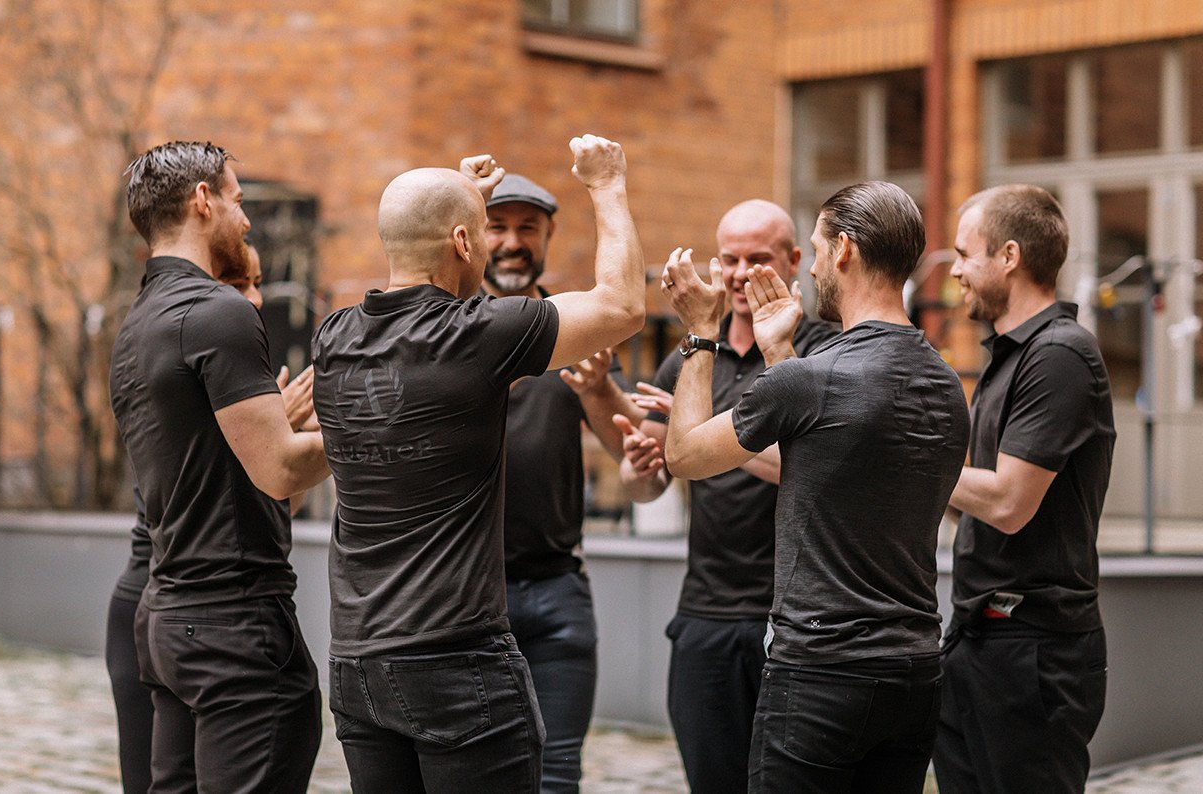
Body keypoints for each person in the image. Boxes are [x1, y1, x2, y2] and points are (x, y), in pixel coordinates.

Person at [312, 136, 644, 792]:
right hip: (454, 663)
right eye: (482, 236)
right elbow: (623, 306)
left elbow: (417, 254)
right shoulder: (474, 336)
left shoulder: (333, 338)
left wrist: (460, 203)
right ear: (464, 242)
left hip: (357, 665)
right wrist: (607, 184)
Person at [659, 181, 969, 793]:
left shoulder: (816, 377)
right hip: (913, 670)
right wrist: (779, 350)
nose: (815, 268)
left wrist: (699, 332)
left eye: (819, 251)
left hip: (821, 671)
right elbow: (824, 451)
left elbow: (684, 454)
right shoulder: (944, 381)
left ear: (845, 249)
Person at [109, 141, 330, 793]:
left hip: (169, 623)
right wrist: (377, 424)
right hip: (235, 629)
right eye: (237, 199)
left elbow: (224, 473)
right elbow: (281, 471)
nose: (247, 217)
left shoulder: (136, 325)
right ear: (203, 200)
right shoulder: (217, 311)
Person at [615, 199, 837, 794]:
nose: (740, 274)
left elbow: (816, 469)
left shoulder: (823, 351)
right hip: (706, 614)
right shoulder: (691, 356)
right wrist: (639, 465)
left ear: (794, 259)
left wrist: (706, 428)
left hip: (795, 618)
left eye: (756, 259)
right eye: (729, 259)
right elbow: (647, 485)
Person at [933, 185, 1115, 794]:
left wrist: (908, 462)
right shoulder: (1010, 356)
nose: (954, 270)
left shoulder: (1059, 355)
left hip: (1032, 652)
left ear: (1009, 256)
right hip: (977, 635)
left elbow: (1008, 504)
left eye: (965, 253)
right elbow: (978, 504)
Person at [482, 173, 641, 793]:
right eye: (497, 227)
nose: (512, 242)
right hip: (469, 593)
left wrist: (598, 388)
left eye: (528, 228)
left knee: (556, 777)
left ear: (548, 235)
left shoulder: (571, 325)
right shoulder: (446, 329)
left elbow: (631, 449)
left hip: (557, 590)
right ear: (469, 237)